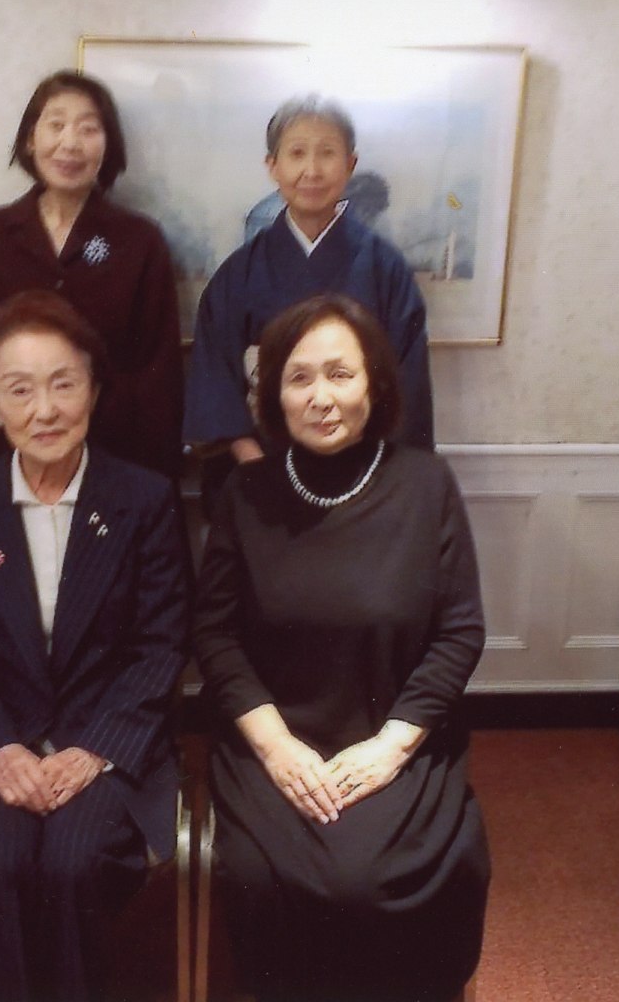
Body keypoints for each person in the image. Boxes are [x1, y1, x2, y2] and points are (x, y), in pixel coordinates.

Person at [193, 294, 488, 1002]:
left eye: (340, 374)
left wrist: (391, 747)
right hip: (275, 738)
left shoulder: (427, 484)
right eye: (299, 378)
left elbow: (460, 630)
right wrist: (275, 748)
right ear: (273, 396)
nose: (320, 397)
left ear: (375, 385)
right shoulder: (246, 491)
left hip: (394, 735)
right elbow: (214, 632)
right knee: (266, 878)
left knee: (385, 878)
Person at [0, 290, 189, 1002]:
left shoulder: (143, 500)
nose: (44, 410)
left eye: (63, 384)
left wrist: (95, 749)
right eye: (19, 390)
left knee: (74, 862)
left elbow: (161, 646)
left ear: (94, 391)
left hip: (107, 742)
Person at [184, 94, 435, 506]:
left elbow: (406, 390)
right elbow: (216, 384)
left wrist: (373, 483)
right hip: (260, 475)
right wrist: (259, 471)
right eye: (297, 153)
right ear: (273, 166)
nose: (312, 171)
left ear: (350, 164)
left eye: (327, 153)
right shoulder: (238, 275)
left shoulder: (385, 270)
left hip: (363, 479)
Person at [0, 70, 184, 481]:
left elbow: (159, 371)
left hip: (119, 454)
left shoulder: (139, 240)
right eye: (56, 125)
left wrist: (156, 483)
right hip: (18, 451)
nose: (70, 143)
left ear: (108, 143)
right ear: (31, 139)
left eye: (88, 128)